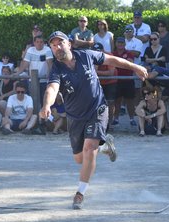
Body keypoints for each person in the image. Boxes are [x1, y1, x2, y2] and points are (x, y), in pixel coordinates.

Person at [40, 31, 148, 210]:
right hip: (75, 118)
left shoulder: (86, 56)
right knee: (80, 159)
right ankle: (105, 146)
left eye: (60, 43)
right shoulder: (56, 70)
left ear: (69, 44)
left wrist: (135, 67)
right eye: (53, 45)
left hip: (97, 109)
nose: (57, 47)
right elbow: (52, 89)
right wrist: (47, 105)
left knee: (89, 149)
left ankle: (80, 193)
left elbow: (113, 60)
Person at [15, 35, 53, 106]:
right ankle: (34, 116)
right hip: (32, 80)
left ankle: (44, 117)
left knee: (44, 101)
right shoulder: (30, 50)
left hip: (44, 80)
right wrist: (18, 73)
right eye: (37, 42)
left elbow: (50, 63)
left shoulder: (47, 49)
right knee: (32, 101)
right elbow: (25, 63)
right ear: (34, 43)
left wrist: (48, 74)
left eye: (41, 42)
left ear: (44, 43)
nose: (39, 43)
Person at [112, 37, 136, 126]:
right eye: (118, 42)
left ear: (124, 44)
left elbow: (130, 64)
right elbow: (112, 65)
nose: (120, 44)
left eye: (122, 43)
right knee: (117, 101)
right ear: (116, 44)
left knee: (130, 101)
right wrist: (123, 62)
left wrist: (118, 63)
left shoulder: (129, 53)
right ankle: (116, 119)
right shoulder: (113, 54)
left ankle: (132, 119)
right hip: (116, 80)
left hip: (128, 80)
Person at [92, 42, 117, 127]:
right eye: (95, 51)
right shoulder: (91, 56)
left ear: (103, 50)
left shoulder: (109, 55)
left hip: (110, 82)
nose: (97, 53)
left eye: (99, 51)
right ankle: (98, 123)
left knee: (110, 102)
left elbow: (111, 73)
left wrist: (96, 72)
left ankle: (110, 122)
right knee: (96, 103)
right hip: (98, 82)